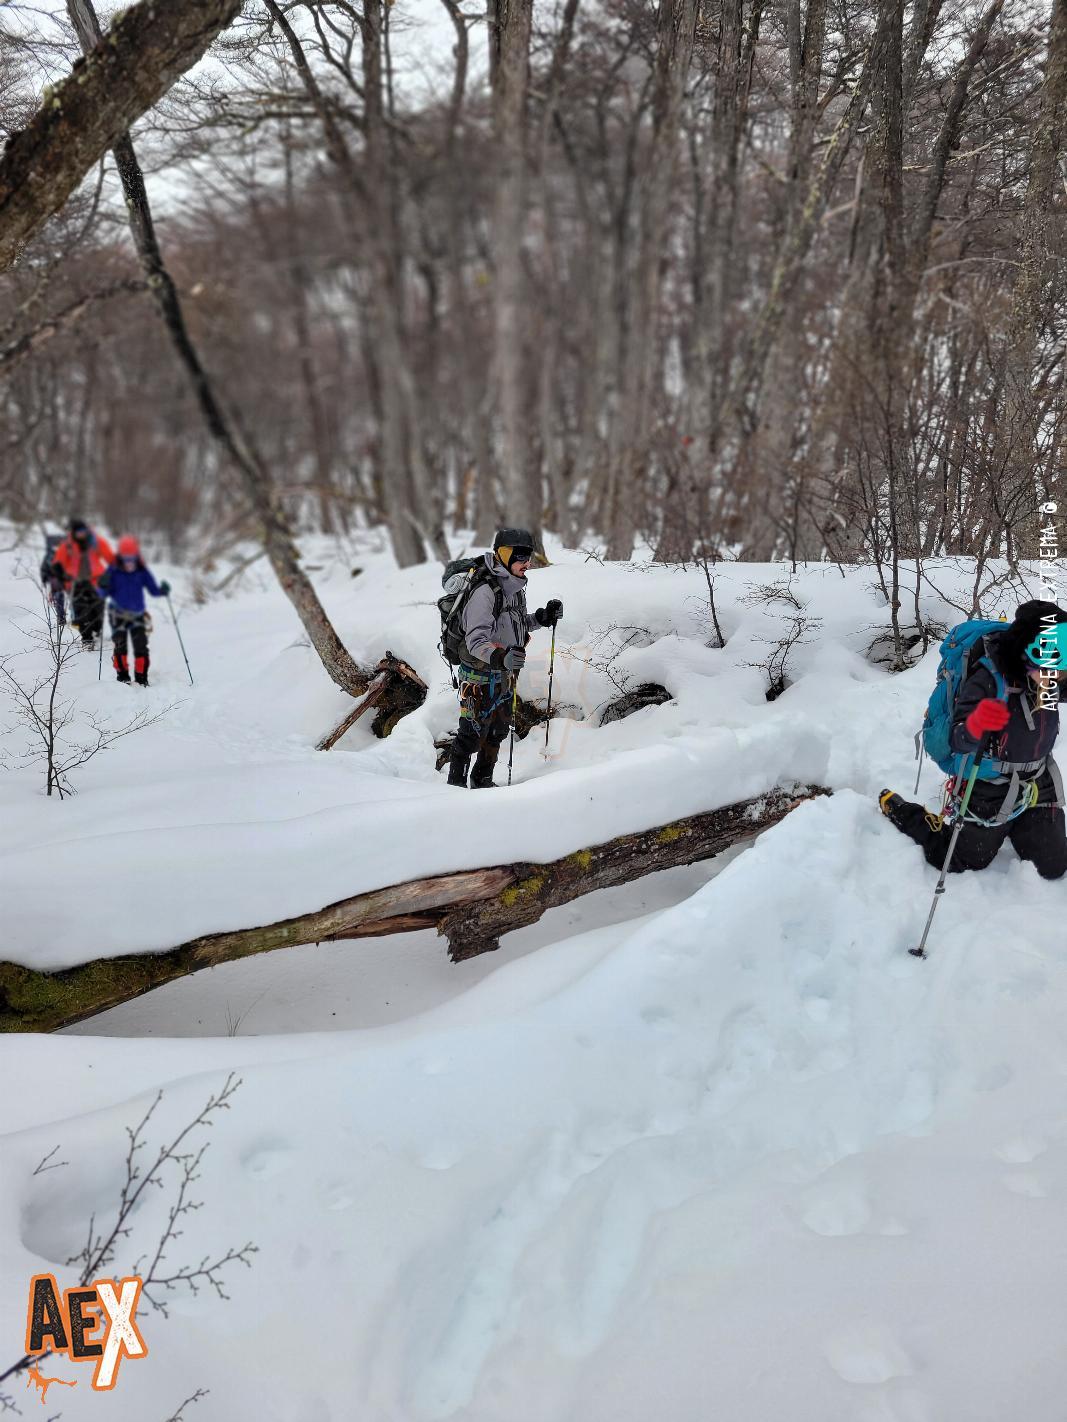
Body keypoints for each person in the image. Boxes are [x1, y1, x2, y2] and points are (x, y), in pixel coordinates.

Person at [880, 600, 1067, 879]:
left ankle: (1017, 825)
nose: (1054, 678)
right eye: (1048, 667)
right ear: (1025, 653)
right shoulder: (988, 679)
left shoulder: (1048, 675)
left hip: (1037, 784)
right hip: (988, 787)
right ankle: (906, 813)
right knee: (961, 860)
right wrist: (976, 724)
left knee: (1053, 867)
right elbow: (958, 742)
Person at [446, 527, 562, 788]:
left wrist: (541, 619)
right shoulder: (484, 591)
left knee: (498, 730)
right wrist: (501, 657)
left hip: (505, 672)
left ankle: (482, 780)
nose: (527, 563)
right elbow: (476, 641)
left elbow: (515, 624)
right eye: (521, 557)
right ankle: (454, 788)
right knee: (471, 733)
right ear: (504, 554)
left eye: (529, 556)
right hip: (478, 675)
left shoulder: (514, 586)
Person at [97, 535, 170, 686]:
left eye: (132, 557)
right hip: (117, 614)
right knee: (120, 647)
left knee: (141, 647)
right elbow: (103, 594)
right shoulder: (113, 570)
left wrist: (162, 591)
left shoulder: (142, 571)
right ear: (121, 556)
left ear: (136, 555)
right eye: (126, 558)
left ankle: (141, 679)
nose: (129, 562)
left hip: (137, 615)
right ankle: (123, 678)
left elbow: (153, 590)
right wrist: (102, 586)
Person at [51, 519, 114, 648]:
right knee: (81, 612)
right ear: (73, 533)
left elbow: (111, 558)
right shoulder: (67, 545)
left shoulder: (96, 542)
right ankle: (87, 638)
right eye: (78, 532)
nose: (81, 534)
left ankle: (97, 629)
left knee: (97, 609)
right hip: (75, 583)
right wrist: (59, 573)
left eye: (83, 531)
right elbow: (58, 561)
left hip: (96, 581)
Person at [39, 532, 67, 628]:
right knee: (58, 597)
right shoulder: (49, 555)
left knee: (72, 597)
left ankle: (75, 617)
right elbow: (44, 567)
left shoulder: (67, 553)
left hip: (67, 578)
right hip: (55, 579)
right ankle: (61, 617)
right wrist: (44, 578)